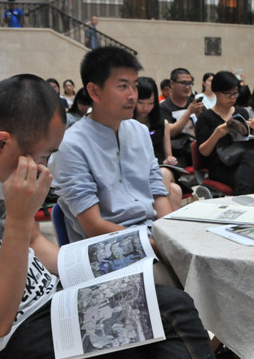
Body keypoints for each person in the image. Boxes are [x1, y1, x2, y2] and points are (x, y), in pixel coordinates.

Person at [0, 73, 222, 359]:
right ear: (1, 142)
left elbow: (35, 243)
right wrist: (19, 219)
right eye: (44, 156)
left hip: (55, 304)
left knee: (165, 299)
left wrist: (115, 257)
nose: (46, 169)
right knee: (170, 324)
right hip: (8, 348)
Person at [50, 46, 174, 243]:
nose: (133, 95)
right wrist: (159, 246)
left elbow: (158, 192)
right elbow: (94, 226)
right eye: (123, 86)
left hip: (150, 234)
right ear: (94, 91)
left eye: (134, 86)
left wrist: (171, 238)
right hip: (108, 245)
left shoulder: (140, 132)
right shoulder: (71, 146)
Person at [195, 71, 254, 195]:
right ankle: (246, 198)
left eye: (235, 93)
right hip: (220, 166)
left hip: (244, 161)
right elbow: (203, 152)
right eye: (228, 94)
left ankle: (243, 198)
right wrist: (217, 134)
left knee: (251, 156)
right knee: (249, 180)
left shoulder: (242, 113)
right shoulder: (206, 117)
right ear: (216, 92)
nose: (233, 97)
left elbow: (253, 142)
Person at [134, 76, 183, 210]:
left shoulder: (162, 123)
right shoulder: (126, 123)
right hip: (137, 170)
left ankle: (151, 213)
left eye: (150, 103)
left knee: (163, 173)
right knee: (175, 190)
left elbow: (168, 155)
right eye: (140, 103)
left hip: (161, 169)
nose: (145, 108)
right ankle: (162, 220)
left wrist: (170, 160)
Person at [159, 68, 204, 167]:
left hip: (197, 148)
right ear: (172, 83)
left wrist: (199, 115)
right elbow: (170, 133)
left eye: (190, 83)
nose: (187, 87)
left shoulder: (195, 103)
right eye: (183, 83)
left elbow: (206, 129)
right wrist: (188, 112)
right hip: (178, 151)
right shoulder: (164, 107)